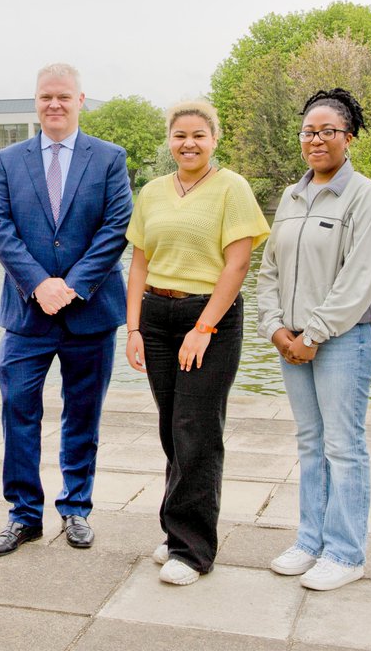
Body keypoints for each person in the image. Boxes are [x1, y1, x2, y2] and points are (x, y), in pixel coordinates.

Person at [0, 63, 132, 555]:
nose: (54, 105)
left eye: (64, 97)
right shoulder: (9, 160)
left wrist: (71, 286)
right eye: (46, 97)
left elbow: (116, 228)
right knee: (18, 410)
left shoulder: (109, 158)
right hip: (27, 314)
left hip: (89, 312)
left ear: (81, 100)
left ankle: (76, 509)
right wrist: (38, 284)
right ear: (35, 101)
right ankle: (23, 514)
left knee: (82, 414)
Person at [255, 88, 371, 591]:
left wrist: (313, 333)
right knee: (311, 442)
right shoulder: (292, 197)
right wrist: (274, 327)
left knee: (343, 444)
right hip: (290, 341)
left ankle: (345, 552)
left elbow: (360, 278)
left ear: (348, 138)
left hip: (343, 341)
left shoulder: (365, 196)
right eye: (308, 132)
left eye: (327, 131)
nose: (316, 140)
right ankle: (310, 541)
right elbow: (268, 270)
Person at [124, 100, 269, 586]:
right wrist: (133, 328)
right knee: (171, 428)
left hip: (208, 315)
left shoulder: (232, 188)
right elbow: (139, 263)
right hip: (156, 315)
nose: (188, 143)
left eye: (198, 135)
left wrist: (203, 329)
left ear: (214, 139)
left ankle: (193, 550)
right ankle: (175, 532)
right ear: (170, 139)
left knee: (197, 431)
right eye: (180, 135)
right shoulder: (153, 191)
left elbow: (237, 265)